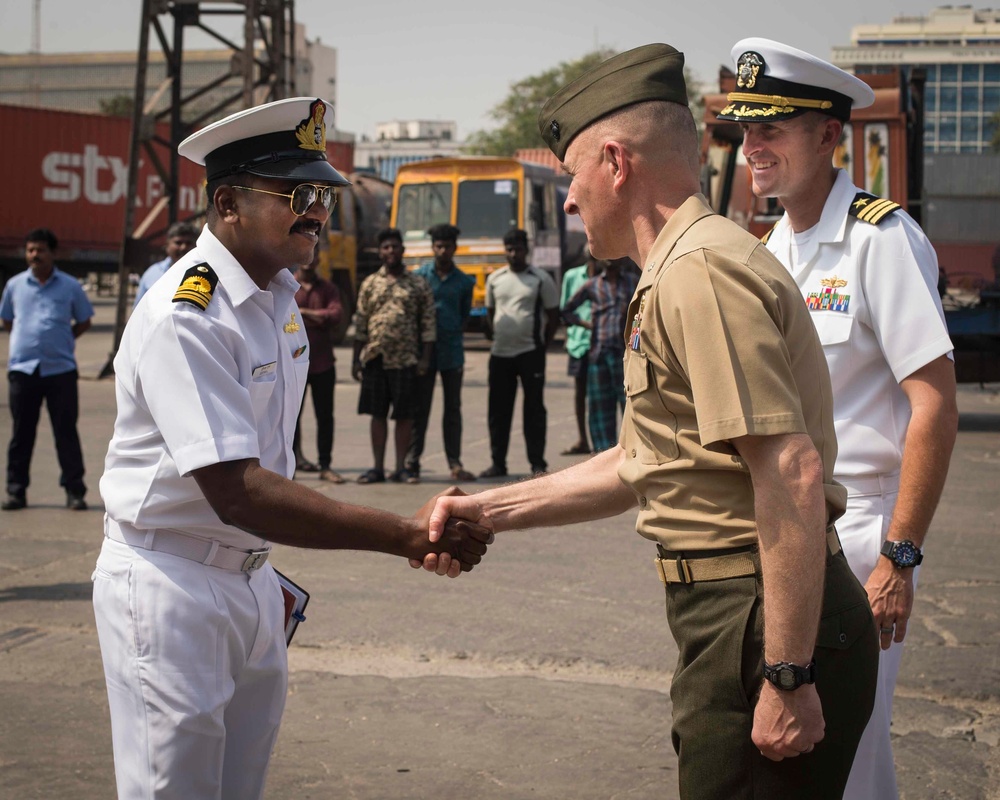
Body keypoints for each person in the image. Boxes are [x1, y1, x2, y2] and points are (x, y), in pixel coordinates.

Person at [419, 44, 879, 799]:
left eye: (571, 174)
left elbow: (788, 469)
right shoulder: (680, 267)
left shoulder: (698, 271)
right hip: (737, 615)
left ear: (614, 162)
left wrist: (788, 673)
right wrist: (488, 510)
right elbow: (645, 458)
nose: (569, 198)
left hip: (758, 616)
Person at [91, 97, 491, 800]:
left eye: (323, 197)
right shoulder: (189, 314)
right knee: (173, 789)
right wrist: (403, 534)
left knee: (239, 786)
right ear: (228, 203)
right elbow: (239, 489)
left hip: (250, 579)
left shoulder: (280, 304)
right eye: (296, 195)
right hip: (172, 583)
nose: (317, 212)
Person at [719, 38, 959, 800]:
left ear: (829, 135)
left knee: (848, 752)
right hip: (788, 531)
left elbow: (935, 402)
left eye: (774, 129)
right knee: (792, 751)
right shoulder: (774, 246)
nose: (754, 147)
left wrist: (900, 558)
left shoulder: (879, 240)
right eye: (747, 131)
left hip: (860, 534)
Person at [1, 227, 93, 511]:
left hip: (60, 371)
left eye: (40, 250)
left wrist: (61, 342)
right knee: (21, 434)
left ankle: (74, 491)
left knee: (65, 432)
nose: (34, 255)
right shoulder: (14, 286)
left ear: (53, 253)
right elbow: (7, 320)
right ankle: (16, 491)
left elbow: (84, 320)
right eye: (30, 250)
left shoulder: (70, 286)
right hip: (23, 371)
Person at [352, 227, 436, 484]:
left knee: (404, 415)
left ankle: (401, 467)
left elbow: (428, 325)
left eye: (395, 247)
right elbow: (361, 323)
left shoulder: (417, 284)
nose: (390, 251)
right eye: (386, 247)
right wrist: (356, 359)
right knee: (377, 414)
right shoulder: (369, 284)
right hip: (375, 358)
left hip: (406, 360)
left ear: (403, 250)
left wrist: (424, 359)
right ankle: (377, 467)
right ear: (380, 252)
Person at [479, 228, 560, 478]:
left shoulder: (540, 279)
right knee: (498, 410)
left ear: (527, 250)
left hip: (530, 353)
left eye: (518, 249)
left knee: (533, 409)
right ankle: (498, 463)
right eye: (510, 249)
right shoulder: (495, 279)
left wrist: (541, 345)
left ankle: (537, 464)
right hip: (501, 354)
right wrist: (497, 336)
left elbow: (553, 316)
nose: (514, 254)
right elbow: (491, 313)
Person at [405, 223, 477, 482]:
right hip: (425, 353)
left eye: (447, 246)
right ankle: (412, 463)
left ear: (454, 248)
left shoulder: (464, 282)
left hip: (452, 353)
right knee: (420, 409)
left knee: (452, 409)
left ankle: (455, 463)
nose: (442, 250)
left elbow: (464, 315)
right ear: (432, 247)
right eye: (438, 246)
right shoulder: (421, 277)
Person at [562, 256, 638, 452]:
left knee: (631, 407)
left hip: (626, 355)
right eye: (607, 258)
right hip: (599, 353)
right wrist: (586, 324)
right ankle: (604, 454)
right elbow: (567, 310)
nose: (611, 261)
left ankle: (630, 451)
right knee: (600, 409)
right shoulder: (592, 285)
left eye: (615, 257)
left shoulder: (633, 281)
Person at [292, 246, 345, 483]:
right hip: (293, 363)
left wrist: (303, 313)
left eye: (314, 254)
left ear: (318, 259)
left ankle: (326, 464)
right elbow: (283, 318)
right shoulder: (287, 285)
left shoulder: (328, 288)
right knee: (291, 416)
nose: (309, 260)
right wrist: (318, 316)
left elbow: (336, 316)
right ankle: (290, 465)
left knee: (325, 416)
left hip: (323, 362)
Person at [558, 251, 595, 456]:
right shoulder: (573, 277)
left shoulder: (607, 277)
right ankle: (583, 438)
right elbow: (566, 309)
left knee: (605, 396)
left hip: (604, 344)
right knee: (580, 393)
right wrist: (580, 328)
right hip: (579, 342)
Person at [133, 221, 199, 309]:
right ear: (167, 245)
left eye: (188, 243)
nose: (183, 247)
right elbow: (138, 310)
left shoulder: (205, 274)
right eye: (178, 243)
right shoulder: (153, 273)